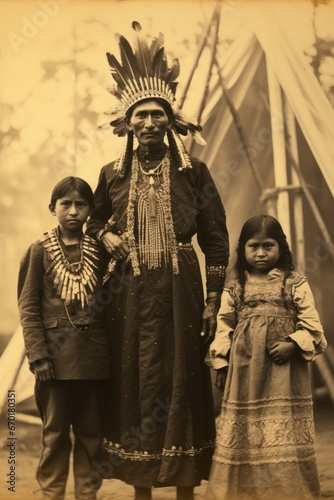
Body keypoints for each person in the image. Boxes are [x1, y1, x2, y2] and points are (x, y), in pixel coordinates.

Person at [86, 21, 229, 500]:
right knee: (134, 378)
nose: (148, 123)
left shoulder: (195, 173)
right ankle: (141, 488)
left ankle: (186, 487)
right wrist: (105, 235)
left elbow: (216, 238)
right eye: (140, 116)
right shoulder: (111, 174)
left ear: (171, 120)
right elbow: (92, 223)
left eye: (157, 114)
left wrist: (212, 302)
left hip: (181, 290)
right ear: (126, 123)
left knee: (183, 376)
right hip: (126, 295)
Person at [205, 215, 327, 500]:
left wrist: (293, 345)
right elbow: (224, 327)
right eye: (254, 246)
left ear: (280, 248)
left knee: (281, 430)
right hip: (245, 372)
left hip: (284, 375)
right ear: (243, 250)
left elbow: (314, 328)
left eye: (268, 246)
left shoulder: (294, 284)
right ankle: (241, 491)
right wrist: (222, 365)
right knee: (246, 429)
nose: (260, 253)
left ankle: (286, 491)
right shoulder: (236, 287)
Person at [17, 177, 111, 500]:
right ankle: (52, 494)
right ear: (52, 208)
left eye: (81, 205)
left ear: (90, 210)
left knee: (91, 435)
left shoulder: (100, 250)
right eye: (65, 204)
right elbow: (28, 308)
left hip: (94, 358)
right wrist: (38, 355)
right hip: (55, 362)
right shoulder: (39, 251)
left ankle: (87, 493)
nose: (73, 212)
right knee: (55, 434)